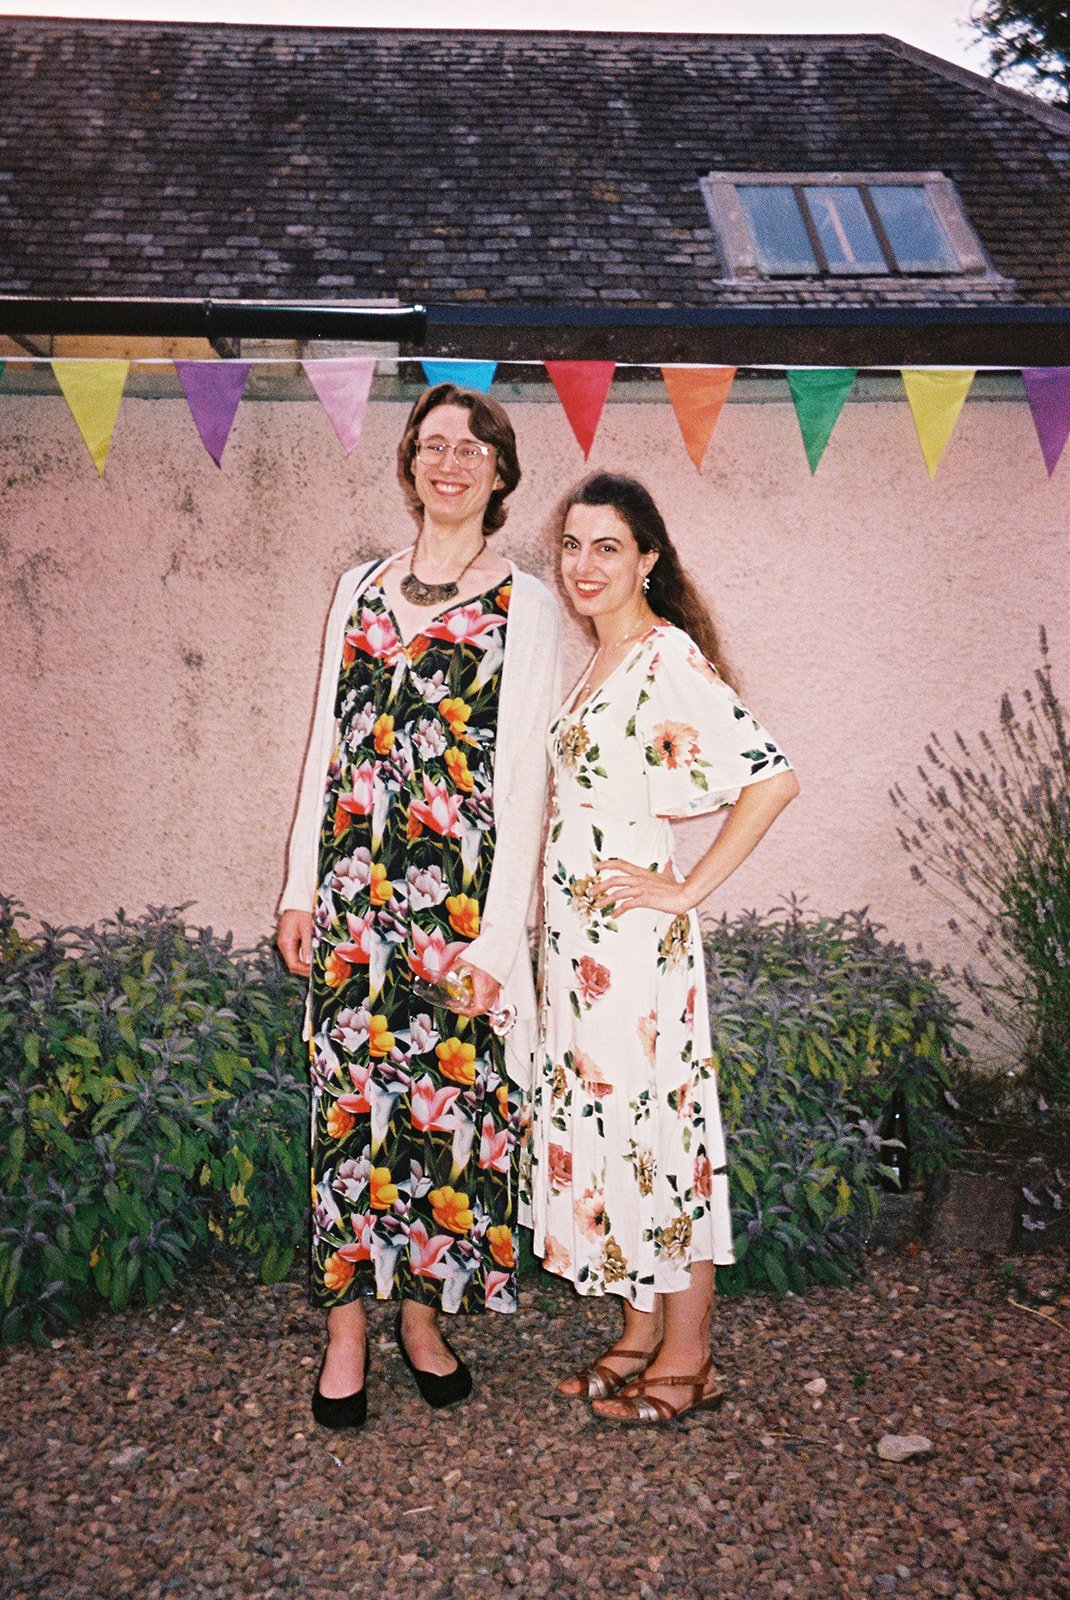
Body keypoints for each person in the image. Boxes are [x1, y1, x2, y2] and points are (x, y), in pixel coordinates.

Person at [277, 382, 560, 1429]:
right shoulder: (358, 587)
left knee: (442, 1121)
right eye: (433, 444)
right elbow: (327, 747)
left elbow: (525, 781)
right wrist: (300, 887)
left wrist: (499, 939)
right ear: (408, 465)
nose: (451, 462)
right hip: (355, 894)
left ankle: (422, 1319)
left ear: (498, 472)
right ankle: (347, 1324)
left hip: (454, 911)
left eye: (472, 446)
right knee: (351, 1108)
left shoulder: (523, 605)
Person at [527, 471, 799, 1426]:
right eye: (571, 544)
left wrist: (684, 888)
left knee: (659, 1137)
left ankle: (692, 1359)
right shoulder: (601, 661)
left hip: (634, 953)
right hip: (579, 953)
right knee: (614, 1138)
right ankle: (639, 1330)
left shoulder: (662, 657)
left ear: (648, 557)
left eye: (608, 546)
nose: (584, 564)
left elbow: (770, 780)